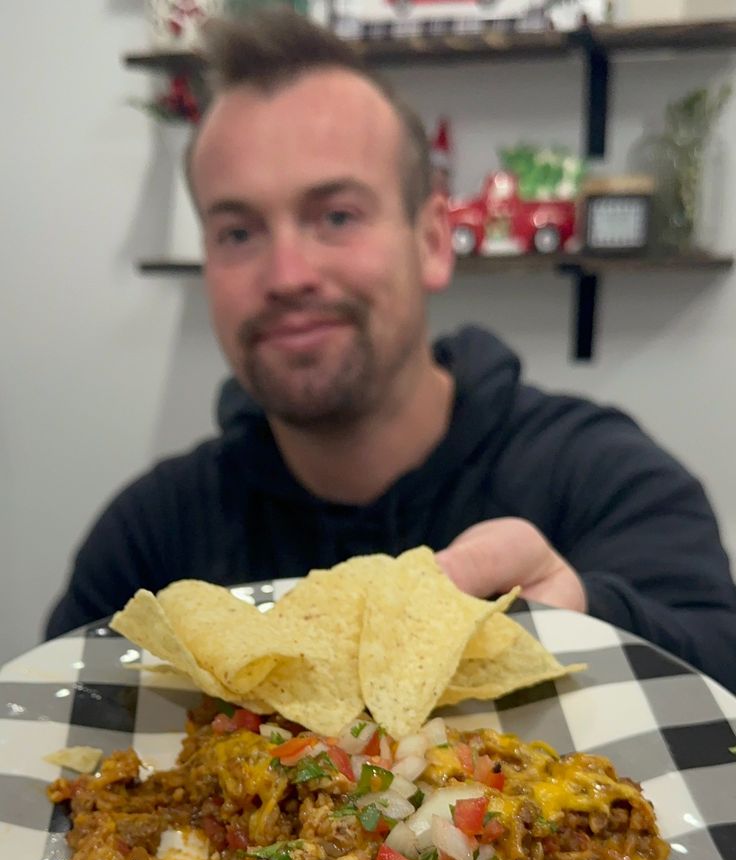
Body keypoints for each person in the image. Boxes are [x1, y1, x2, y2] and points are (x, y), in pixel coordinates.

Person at [45, 9, 736, 693]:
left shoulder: (608, 481)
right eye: (237, 232)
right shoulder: (147, 541)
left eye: (337, 216)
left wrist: (591, 621)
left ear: (433, 240)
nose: (287, 275)